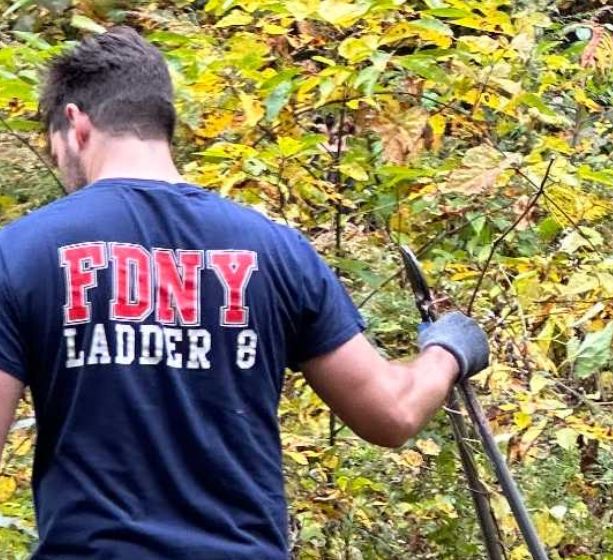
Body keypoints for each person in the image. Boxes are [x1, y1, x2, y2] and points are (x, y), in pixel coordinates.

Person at [0, 26, 490, 559]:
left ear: (76, 122)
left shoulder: (20, 252)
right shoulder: (276, 251)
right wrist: (448, 350)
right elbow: (391, 414)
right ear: (163, 123)